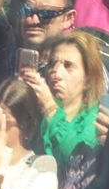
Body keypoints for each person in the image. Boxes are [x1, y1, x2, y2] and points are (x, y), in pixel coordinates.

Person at [24, 31, 104, 169]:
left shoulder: (96, 119)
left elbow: (76, 159)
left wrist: (50, 107)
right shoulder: (35, 109)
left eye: (68, 66)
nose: (56, 72)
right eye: (52, 63)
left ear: (88, 80)